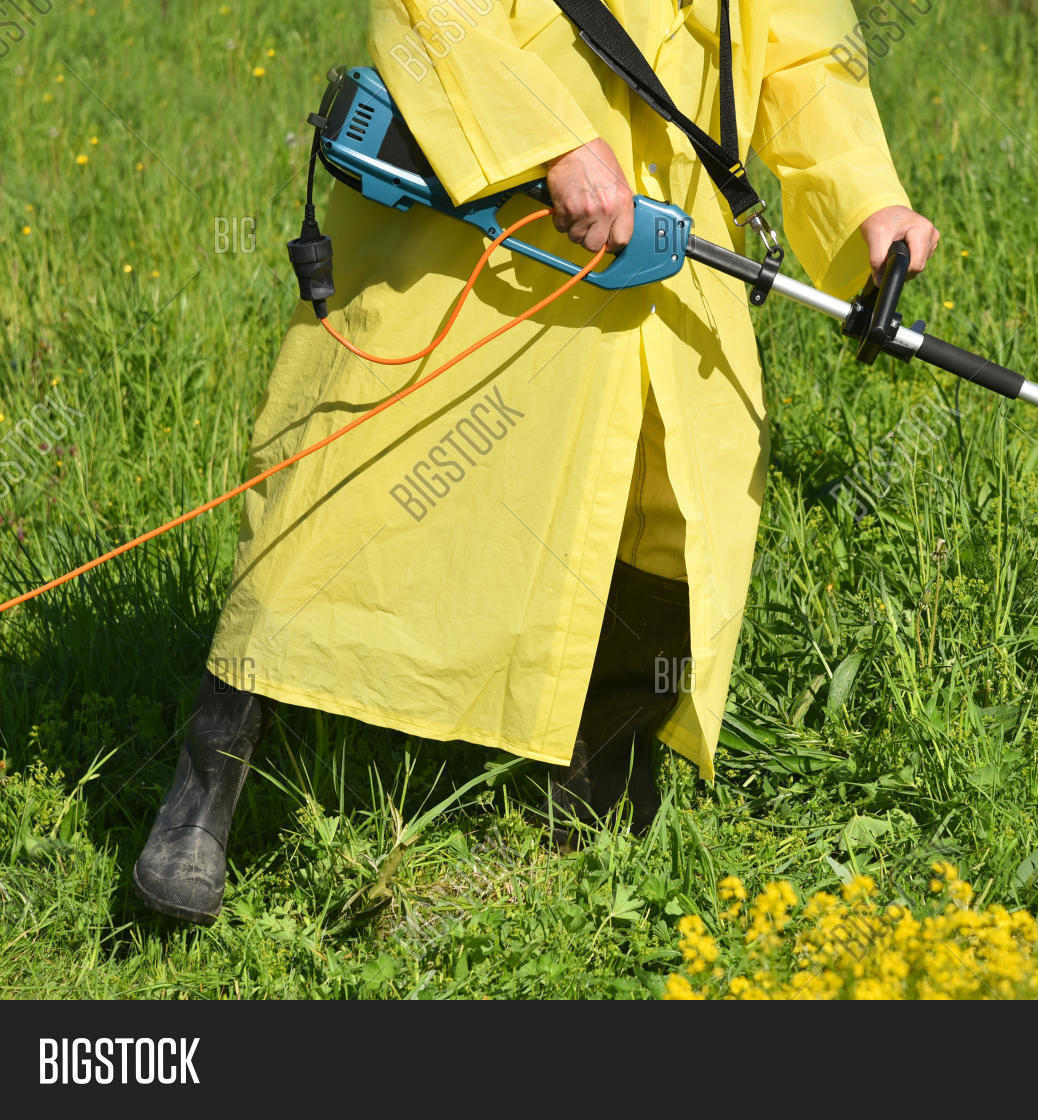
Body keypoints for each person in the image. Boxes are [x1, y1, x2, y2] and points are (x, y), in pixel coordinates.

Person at [133, 0, 940, 923]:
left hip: (667, 238)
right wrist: (547, 136)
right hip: (480, 216)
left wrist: (867, 201)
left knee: (667, 502)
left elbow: (803, 50)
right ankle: (205, 794)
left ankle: (594, 818)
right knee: (345, 486)